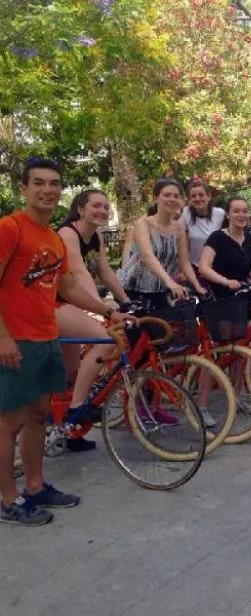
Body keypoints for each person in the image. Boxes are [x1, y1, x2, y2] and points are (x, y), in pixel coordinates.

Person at [0, 158, 129, 526]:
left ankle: (36, 486)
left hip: (46, 338)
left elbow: (67, 287)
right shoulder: (10, 229)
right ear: (23, 189)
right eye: (38, 183)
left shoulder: (54, 239)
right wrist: (3, 337)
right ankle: (9, 500)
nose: (47, 190)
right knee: (9, 422)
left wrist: (106, 312)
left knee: (39, 415)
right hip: (16, 341)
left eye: (54, 183)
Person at [55, 189, 131, 452]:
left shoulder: (94, 236)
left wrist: (126, 301)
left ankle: (69, 434)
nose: (102, 211)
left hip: (71, 303)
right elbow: (77, 272)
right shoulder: (68, 233)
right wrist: (103, 309)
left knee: (73, 373)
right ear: (80, 209)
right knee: (103, 340)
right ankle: (77, 407)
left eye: (105, 207)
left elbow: (104, 271)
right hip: (54, 303)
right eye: (96, 206)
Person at [118, 178, 206, 310]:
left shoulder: (179, 228)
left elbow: (184, 262)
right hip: (132, 289)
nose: (172, 199)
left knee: (168, 327)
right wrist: (170, 282)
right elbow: (147, 256)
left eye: (176, 196)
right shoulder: (143, 224)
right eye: (167, 195)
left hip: (160, 288)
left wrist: (197, 286)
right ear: (155, 198)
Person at [198, 196, 251, 297]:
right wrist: (226, 282)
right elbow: (203, 268)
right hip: (222, 297)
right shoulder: (217, 237)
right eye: (236, 211)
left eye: (245, 211)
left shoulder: (248, 237)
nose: (241, 215)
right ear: (228, 215)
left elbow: (241, 262)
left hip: (244, 294)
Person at [180, 178, 225, 276]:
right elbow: (184, 244)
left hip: (217, 266)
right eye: (193, 196)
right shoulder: (185, 213)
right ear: (189, 199)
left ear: (209, 197)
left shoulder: (220, 214)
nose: (197, 199)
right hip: (194, 266)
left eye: (201, 195)